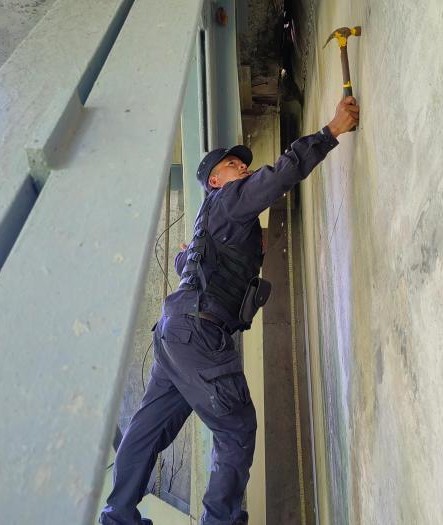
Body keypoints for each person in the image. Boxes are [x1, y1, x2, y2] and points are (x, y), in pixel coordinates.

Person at [99, 96, 359, 525]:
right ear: (215, 181)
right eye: (232, 165)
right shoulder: (231, 199)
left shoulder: (211, 222)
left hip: (174, 333)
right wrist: (330, 132)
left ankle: (118, 516)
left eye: (242, 163)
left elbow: (187, 264)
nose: (242, 167)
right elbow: (279, 176)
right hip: (199, 333)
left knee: (148, 430)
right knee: (236, 428)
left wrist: (189, 256)